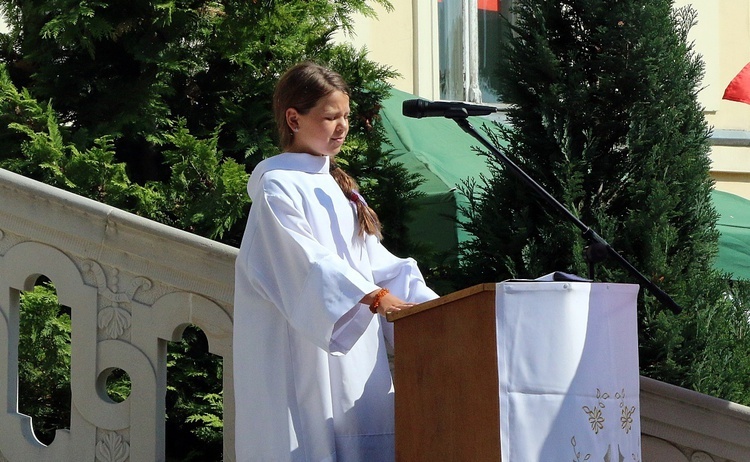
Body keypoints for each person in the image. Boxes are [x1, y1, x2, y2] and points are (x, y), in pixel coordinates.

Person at [233, 61, 438, 462]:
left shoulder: (335, 185)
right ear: (294, 118)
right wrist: (376, 298)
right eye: (330, 117)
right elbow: (308, 263)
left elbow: (373, 261)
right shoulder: (277, 187)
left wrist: (429, 307)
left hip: (357, 355)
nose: (342, 126)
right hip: (302, 351)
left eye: (345, 116)